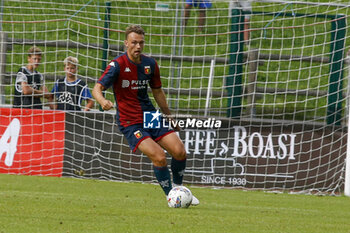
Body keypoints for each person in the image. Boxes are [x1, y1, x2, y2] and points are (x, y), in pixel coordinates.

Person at [92, 24, 199, 206]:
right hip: (130, 121)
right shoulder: (117, 65)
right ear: (126, 43)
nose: (138, 46)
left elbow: (157, 92)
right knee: (159, 156)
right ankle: (171, 196)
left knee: (180, 151)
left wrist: (169, 117)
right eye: (134, 42)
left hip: (151, 116)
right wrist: (102, 102)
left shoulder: (150, 64)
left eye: (141, 43)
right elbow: (97, 88)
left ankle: (179, 190)